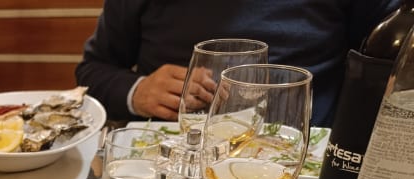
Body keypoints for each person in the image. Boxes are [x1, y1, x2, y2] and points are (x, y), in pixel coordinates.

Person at [76, 0, 401, 126]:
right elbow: (92, 71)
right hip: (168, 161)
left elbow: (394, 60)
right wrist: (138, 91)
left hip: (304, 168)